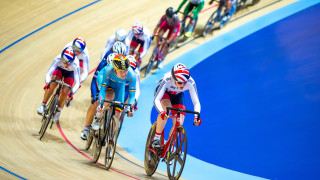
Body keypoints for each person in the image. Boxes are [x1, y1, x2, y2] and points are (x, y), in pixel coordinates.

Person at [151, 63, 201, 151]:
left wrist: (197, 116)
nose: (182, 85)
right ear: (173, 79)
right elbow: (156, 100)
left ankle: (168, 147)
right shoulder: (167, 79)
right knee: (167, 109)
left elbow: (196, 102)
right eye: (180, 83)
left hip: (177, 95)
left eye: (184, 83)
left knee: (179, 122)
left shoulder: (190, 82)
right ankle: (156, 139)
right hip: (164, 93)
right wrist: (162, 112)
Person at [91, 54, 136, 131]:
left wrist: (130, 108)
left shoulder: (132, 75)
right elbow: (103, 90)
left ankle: (110, 137)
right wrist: (101, 104)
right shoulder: (108, 70)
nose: (124, 74)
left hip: (119, 84)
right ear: (115, 69)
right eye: (121, 71)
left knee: (118, 111)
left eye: (125, 70)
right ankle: (97, 118)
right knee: (109, 96)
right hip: (105, 80)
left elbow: (132, 96)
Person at [37, 47, 81, 123]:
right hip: (59, 70)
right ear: (62, 59)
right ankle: (43, 105)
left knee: (65, 91)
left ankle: (58, 111)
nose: (66, 65)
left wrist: (71, 93)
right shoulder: (58, 59)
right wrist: (48, 83)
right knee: (52, 83)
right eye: (64, 62)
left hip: (70, 74)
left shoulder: (75, 64)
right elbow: (49, 73)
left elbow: (77, 82)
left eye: (68, 63)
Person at [80, 52, 117, 140]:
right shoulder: (103, 64)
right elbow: (94, 81)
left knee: (111, 100)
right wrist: (94, 95)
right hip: (99, 84)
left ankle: (105, 127)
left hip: (111, 86)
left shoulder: (119, 70)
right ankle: (86, 128)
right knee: (95, 104)